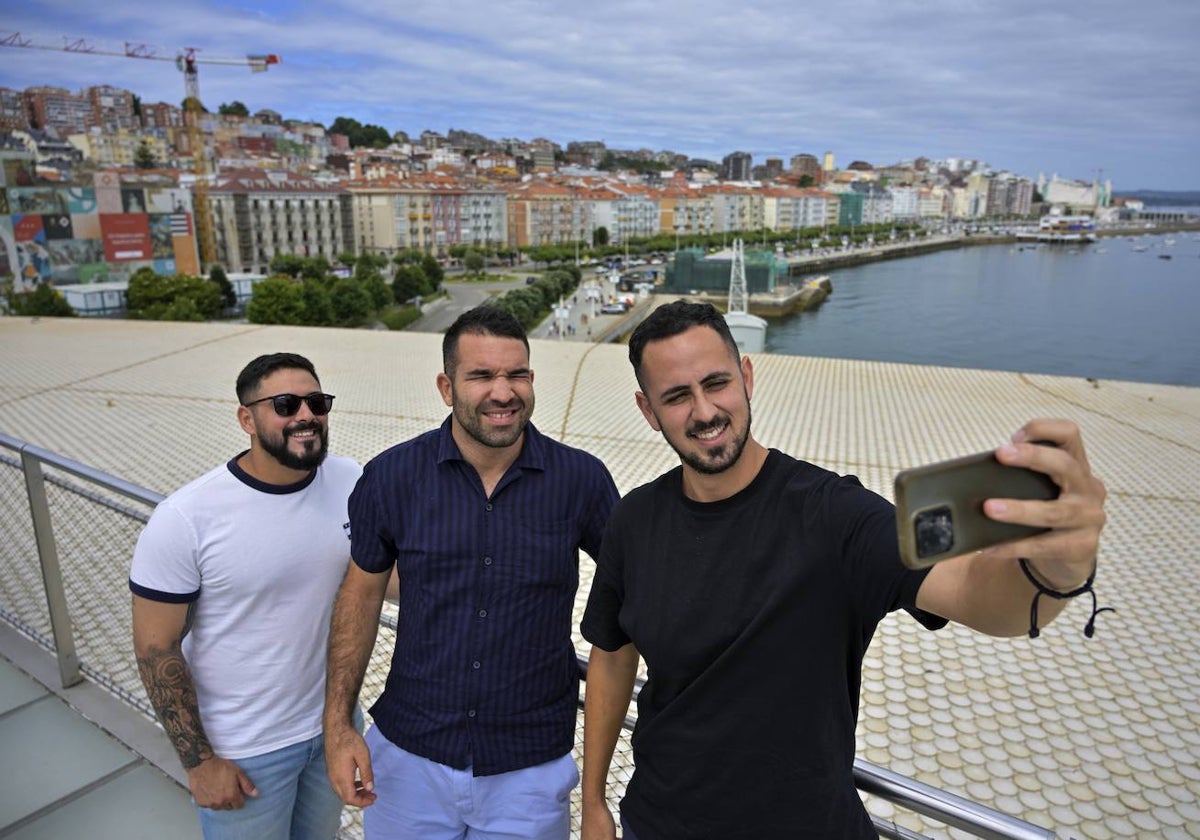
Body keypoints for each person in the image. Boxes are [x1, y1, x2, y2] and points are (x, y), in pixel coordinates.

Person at [580, 301, 1108, 840]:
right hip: (659, 822)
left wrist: (1058, 567)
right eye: (676, 396)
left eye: (716, 383)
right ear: (649, 411)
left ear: (746, 377)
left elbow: (979, 597)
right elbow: (612, 654)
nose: (704, 410)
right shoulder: (635, 519)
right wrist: (594, 800)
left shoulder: (836, 514)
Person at [323, 305, 619, 839]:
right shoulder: (391, 477)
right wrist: (339, 726)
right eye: (481, 375)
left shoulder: (582, 482)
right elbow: (359, 599)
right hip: (409, 758)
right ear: (446, 385)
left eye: (517, 374)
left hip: (528, 769)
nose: (503, 392)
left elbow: (631, 596)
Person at [130, 352, 361, 840]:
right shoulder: (187, 518)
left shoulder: (349, 480)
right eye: (285, 403)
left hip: (331, 729)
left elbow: (382, 576)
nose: (305, 415)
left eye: (316, 402)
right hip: (245, 751)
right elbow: (156, 648)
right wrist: (200, 763)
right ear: (246, 419)